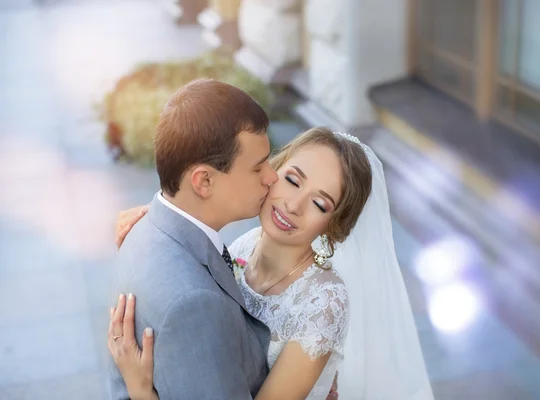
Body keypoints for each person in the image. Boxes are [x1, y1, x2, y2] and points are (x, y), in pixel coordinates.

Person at [109, 126, 435, 399]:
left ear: (335, 224)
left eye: (320, 204)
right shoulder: (244, 245)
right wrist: (157, 228)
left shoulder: (323, 303)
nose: (293, 205)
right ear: (271, 170)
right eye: (293, 180)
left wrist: (141, 390)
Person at [107, 78, 279, 399]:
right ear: (203, 182)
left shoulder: (143, 227)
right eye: (258, 168)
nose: (272, 177)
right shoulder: (195, 305)